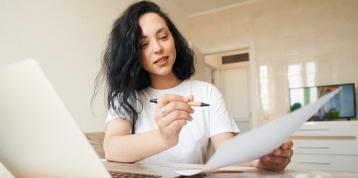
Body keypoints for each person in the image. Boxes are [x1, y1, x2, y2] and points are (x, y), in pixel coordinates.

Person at [95, 0, 293, 171]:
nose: (158, 48)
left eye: (163, 37)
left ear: (174, 40)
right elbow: (112, 149)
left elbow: (228, 153)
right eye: (143, 44)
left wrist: (260, 161)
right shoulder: (125, 97)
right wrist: (164, 137)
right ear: (131, 54)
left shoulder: (207, 92)